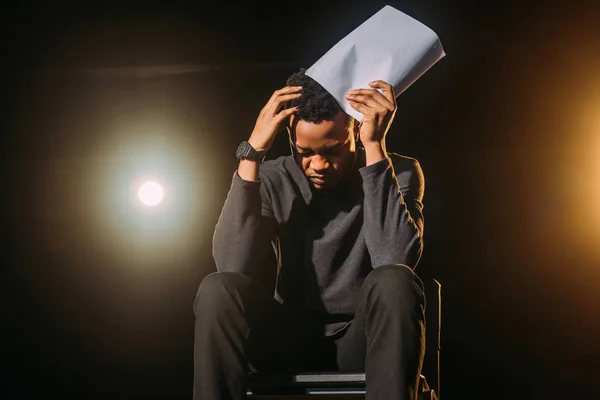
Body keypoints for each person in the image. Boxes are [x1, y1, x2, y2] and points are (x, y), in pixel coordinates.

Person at [193, 68, 426, 400]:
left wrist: (375, 147)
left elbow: (395, 258)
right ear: (290, 136)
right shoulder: (272, 178)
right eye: (306, 153)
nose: (318, 164)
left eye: (331, 151)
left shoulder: (398, 172)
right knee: (217, 288)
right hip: (287, 342)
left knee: (395, 280)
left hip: (361, 344)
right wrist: (253, 152)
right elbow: (231, 264)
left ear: (354, 130)